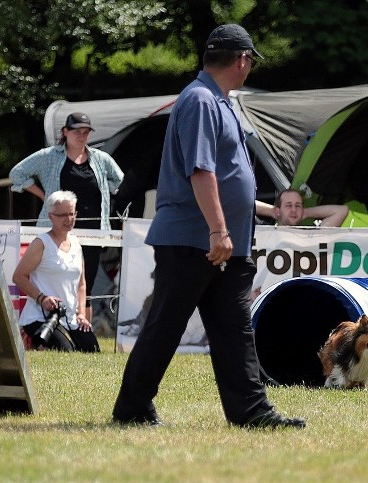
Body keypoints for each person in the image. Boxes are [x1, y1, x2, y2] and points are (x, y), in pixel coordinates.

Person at [111, 23, 305, 429]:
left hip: (223, 244)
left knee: (235, 330)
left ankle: (252, 412)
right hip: (195, 241)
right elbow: (201, 171)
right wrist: (219, 230)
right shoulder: (200, 100)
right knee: (165, 327)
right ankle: (132, 409)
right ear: (242, 59)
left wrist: (252, 214)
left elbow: (227, 176)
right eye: (251, 61)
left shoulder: (217, 100)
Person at [9, 112, 124, 322]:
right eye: (76, 131)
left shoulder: (100, 158)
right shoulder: (49, 155)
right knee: (50, 278)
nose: (81, 136)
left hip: (92, 232)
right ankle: (44, 325)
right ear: (65, 132)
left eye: (86, 132)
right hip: (56, 232)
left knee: (85, 282)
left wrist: (104, 193)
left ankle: (83, 329)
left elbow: (119, 179)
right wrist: (45, 197)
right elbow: (17, 173)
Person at [12, 191, 100, 352]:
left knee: (92, 349)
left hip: (71, 318)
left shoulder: (76, 243)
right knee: (66, 352)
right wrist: (41, 298)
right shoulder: (41, 243)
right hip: (40, 317)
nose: (68, 219)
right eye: (62, 215)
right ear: (51, 216)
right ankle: (38, 344)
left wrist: (81, 314)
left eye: (72, 214)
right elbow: (18, 277)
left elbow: (82, 284)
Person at [255, 188, 348, 226]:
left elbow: (341, 210)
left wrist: (306, 213)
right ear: (278, 210)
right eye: (288, 205)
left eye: (298, 206)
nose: (294, 210)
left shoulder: (312, 236)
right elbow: (243, 204)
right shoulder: (263, 232)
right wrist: (273, 211)